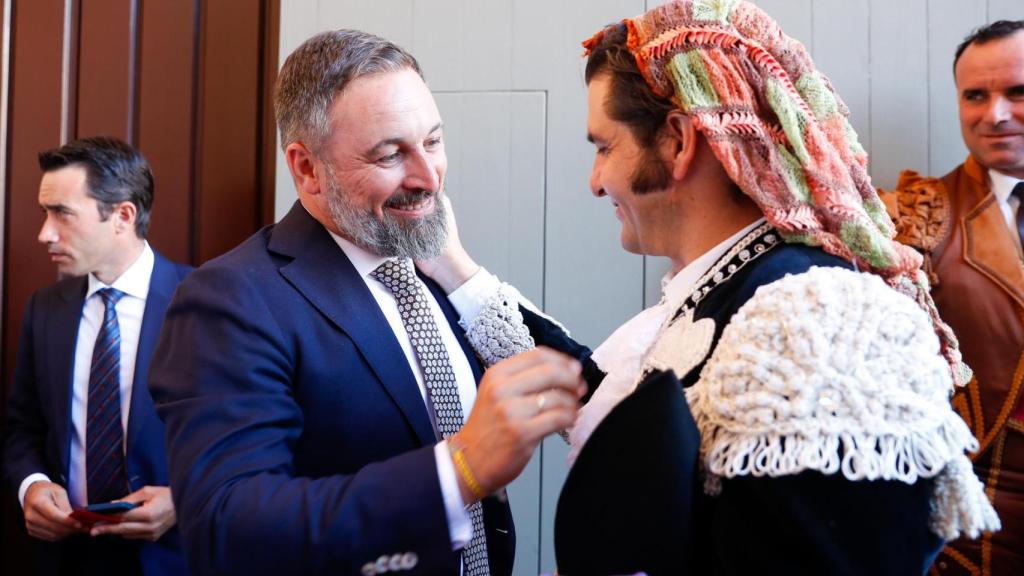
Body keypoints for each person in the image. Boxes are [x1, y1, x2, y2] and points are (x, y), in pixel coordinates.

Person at [418, 1, 1001, 574]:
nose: (596, 182)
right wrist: (448, 263)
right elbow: (609, 400)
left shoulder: (807, 319)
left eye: (604, 147)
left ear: (678, 141)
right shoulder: (733, 289)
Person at [145, 30, 584, 576]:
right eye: (390, 153)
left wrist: (459, 272)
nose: (429, 178)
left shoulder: (430, 259)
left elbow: (585, 385)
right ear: (307, 169)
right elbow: (227, 528)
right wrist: (460, 469)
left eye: (433, 141)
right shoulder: (232, 299)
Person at [2, 136, 190, 575]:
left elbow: (243, 437)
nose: (44, 233)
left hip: (170, 555)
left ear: (123, 215)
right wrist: (32, 485)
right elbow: (22, 429)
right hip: (66, 557)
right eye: (45, 212)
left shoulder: (203, 303)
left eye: (62, 213)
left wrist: (183, 499)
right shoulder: (44, 308)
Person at [878, 19, 1024, 576]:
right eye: (976, 96)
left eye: (1018, 91)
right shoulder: (918, 216)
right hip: (975, 531)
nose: (996, 114)